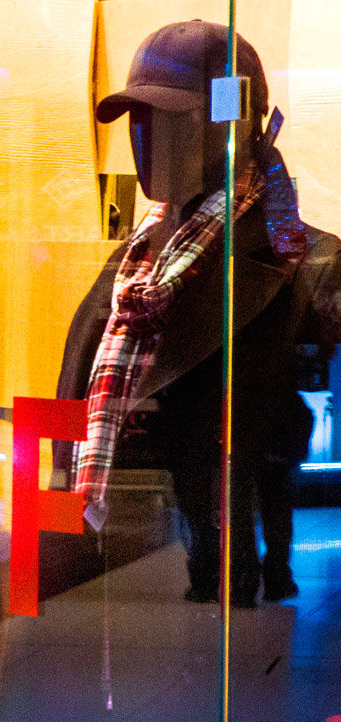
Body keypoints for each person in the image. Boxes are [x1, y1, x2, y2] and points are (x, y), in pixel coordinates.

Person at [55, 21, 341, 607]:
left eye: (172, 119)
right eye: (137, 117)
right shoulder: (132, 266)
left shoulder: (313, 262)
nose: (145, 137)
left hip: (248, 617)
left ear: (232, 123)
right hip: (133, 592)